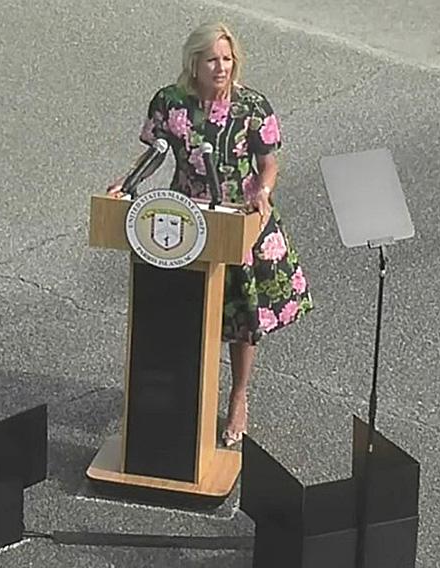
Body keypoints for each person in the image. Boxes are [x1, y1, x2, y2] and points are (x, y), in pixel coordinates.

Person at [106, 21, 313, 447]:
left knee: (241, 319)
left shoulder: (252, 106)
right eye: (212, 60)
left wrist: (265, 191)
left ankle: (238, 395)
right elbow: (156, 151)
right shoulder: (170, 102)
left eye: (227, 58)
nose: (221, 67)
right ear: (194, 63)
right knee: (186, 311)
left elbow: (268, 160)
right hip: (185, 216)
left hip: (240, 215)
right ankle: (187, 397)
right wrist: (126, 182)